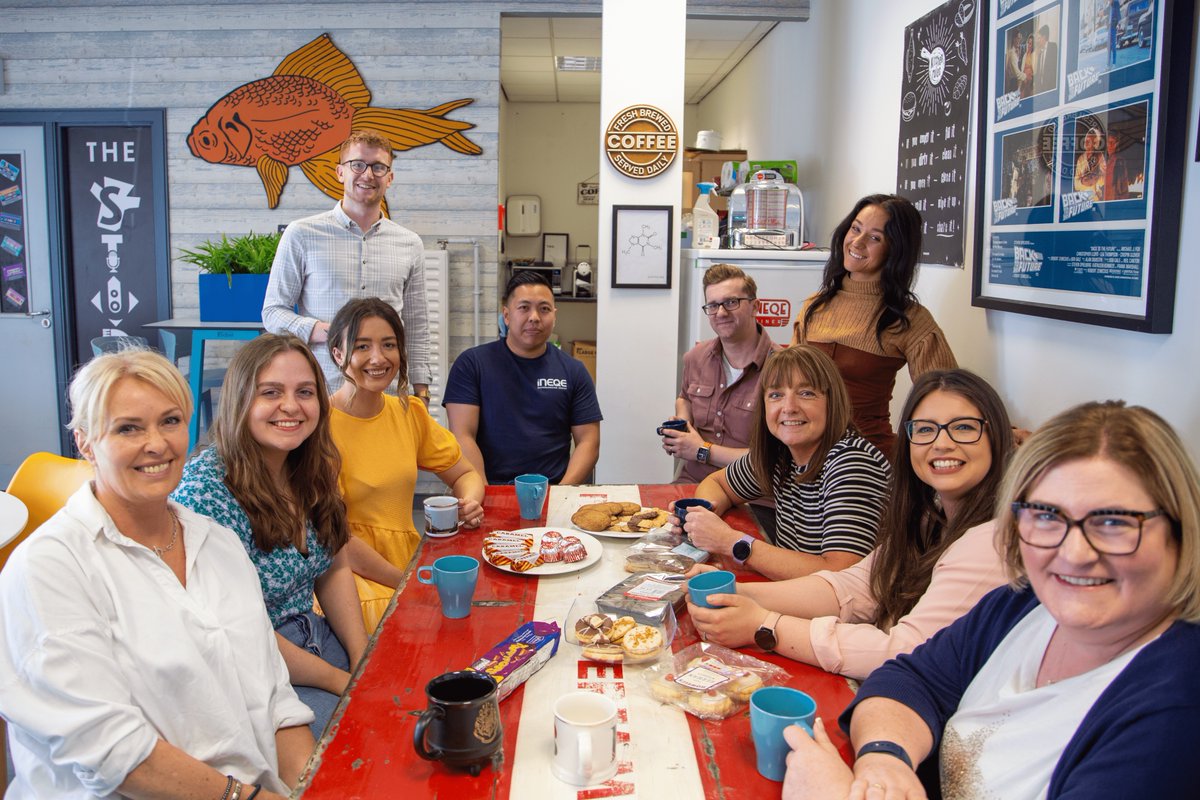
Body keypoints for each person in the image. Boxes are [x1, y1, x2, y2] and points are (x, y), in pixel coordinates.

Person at [782, 400, 1200, 800]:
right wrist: (884, 761)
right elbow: (908, 681)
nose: (1074, 553)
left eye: (1112, 522)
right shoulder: (1019, 607)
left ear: (1180, 533)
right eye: (1047, 516)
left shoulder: (1176, 709)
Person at [0, 349, 312, 799]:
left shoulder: (217, 543)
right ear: (86, 441)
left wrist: (313, 786)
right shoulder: (49, 568)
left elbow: (276, 701)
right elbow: (114, 754)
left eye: (170, 421)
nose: (157, 444)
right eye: (128, 427)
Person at [687, 369, 1014, 680]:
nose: (942, 443)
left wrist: (764, 625)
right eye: (925, 429)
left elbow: (907, 650)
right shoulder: (932, 515)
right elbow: (854, 587)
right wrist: (735, 590)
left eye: (964, 427)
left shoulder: (990, 541)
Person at [173, 334, 369, 739]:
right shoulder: (206, 491)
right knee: (349, 742)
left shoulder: (310, 464)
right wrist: (339, 681)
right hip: (251, 666)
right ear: (240, 399)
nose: (291, 406)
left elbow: (331, 567)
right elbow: (240, 633)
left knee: (402, 711)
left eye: (305, 392)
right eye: (271, 392)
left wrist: (362, 654)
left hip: (313, 636)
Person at [328, 297, 485, 630]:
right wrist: (406, 580)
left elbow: (466, 473)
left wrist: (469, 501)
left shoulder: (407, 412)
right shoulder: (319, 425)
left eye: (388, 345)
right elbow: (333, 538)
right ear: (337, 354)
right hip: (348, 576)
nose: (377, 358)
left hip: (408, 561)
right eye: (361, 346)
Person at [678, 345, 891, 581]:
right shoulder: (782, 453)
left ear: (832, 401)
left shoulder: (853, 463)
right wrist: (705, 519)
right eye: (776, 395)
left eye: (806, 393)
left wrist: (730, 542)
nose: (789, 408)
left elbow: (841, 576)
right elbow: (717, 482)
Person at [263, 129, 432, 399]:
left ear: (389, 178)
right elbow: (273, 312)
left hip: (386, 393)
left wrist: (421, 390)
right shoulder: (302, 234)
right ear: (340, 172)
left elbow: (416, 323)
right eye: (357, 165)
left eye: (378, 167)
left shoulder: (410, 243)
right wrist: (323, 331)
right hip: (323, 390)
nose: (367, 174)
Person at [791, 194, 956, 458]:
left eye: (875, 237)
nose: (857, 242)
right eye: (856, 229)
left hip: (867, 459)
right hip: (805, 456)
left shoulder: (911, 319)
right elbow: (789, 387)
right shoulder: (814, 307)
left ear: (896, 249)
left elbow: (947, 399)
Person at [444, 270, 602, 484]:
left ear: (554, 316)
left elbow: (588, 442)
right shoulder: (472, 364)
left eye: (544, 309)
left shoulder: (574, 371)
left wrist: (560, 493)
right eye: (524, 308)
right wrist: (485, 493)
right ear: (507, 316)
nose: (534, 317)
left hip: (552, 488)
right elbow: (462, 436)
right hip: (487, 487)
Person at [665, 263, 781, 537]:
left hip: (754, 499)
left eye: (731, 302)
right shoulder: (695, 358)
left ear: (755, 306)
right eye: (713, 305)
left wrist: (701, 449)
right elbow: (684, 398)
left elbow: (775, 460)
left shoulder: (782, 369)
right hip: (692, 486)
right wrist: (682, 423)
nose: (721, 312)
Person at [1073, 126, 1106, 201]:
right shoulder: (1081, 159)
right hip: (1082, 201)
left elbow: (1105, 178)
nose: (1086, 142)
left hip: (1095, 199)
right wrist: (1083, 182)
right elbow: (1076, 185)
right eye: (1085, 140)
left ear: (1095, 143)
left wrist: (1095, 179)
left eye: (1089, 141)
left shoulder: (1099, 156)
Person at [1102, 129, 1131, 201]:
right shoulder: (1102, 159)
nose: (1111, 145)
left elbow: (1122, 187)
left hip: (1113, 199)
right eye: (1109, 142)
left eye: (1113, 142)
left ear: (1117, 144)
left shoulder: (1119, 161)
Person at [1032, 24, 1059, 96]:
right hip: (1040, 90)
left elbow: (1053, 70)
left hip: (1049, 89)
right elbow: (1038, 72)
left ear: (1044, 37)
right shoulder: (1040, 52)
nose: (1037, 41)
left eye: (1039, 38)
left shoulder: (1053, 47)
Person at [1019, 34, 1035, 98]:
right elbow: (1022, 70)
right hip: (1023, 82)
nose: (1028, 45)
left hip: (1031, 83)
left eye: (1030, 43)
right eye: (1028, 43)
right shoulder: (1025, 55)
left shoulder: (1034, 55)